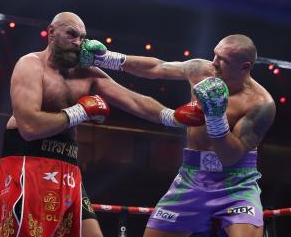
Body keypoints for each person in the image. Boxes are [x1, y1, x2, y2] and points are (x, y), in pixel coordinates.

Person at [0, 12, 205, 237]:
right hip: (29, 162)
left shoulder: (87, 74)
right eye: (72, 34)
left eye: (82, 38)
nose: (78, 43)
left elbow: (133, 100)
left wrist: (172, 117)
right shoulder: (31, 65)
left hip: (68, 167)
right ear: (52, 32)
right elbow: (29, 128)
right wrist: (79, 111)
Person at [80, 34, 276, 237]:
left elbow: (230, 157)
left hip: (236, 182)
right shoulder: (201, 70)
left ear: (245, 67)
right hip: (192, 177)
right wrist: (105, 58)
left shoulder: (261, 104)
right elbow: (157, 68)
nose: (214, 63)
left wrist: (215, 116)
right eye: (215, 55)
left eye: (223, 60)